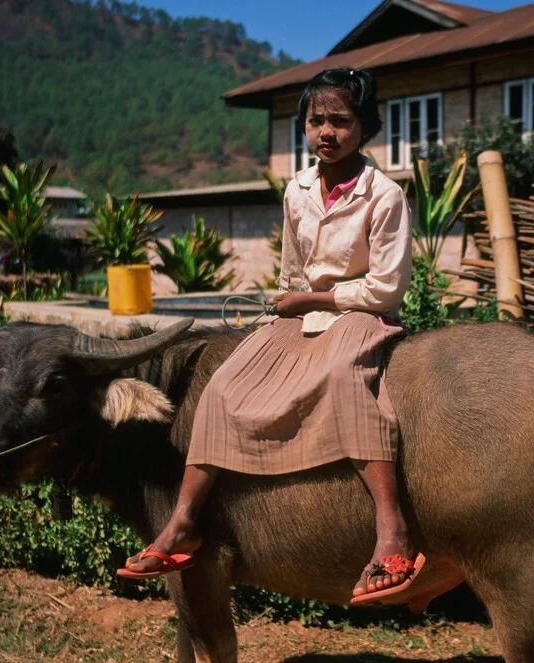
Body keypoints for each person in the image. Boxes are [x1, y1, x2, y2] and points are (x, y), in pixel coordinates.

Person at [118, 67, 422, 603]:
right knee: (226, 385)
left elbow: (386, 288)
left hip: (360, 315)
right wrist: (289, 304)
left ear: (366, 127)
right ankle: (185, 521)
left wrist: (316, 300)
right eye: (315, 120)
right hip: (301, 314)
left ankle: (391, 526)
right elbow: (291, 273)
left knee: (348, 380)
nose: (326, 132)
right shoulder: (297, 191)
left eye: (341, 121)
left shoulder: (386, 196)